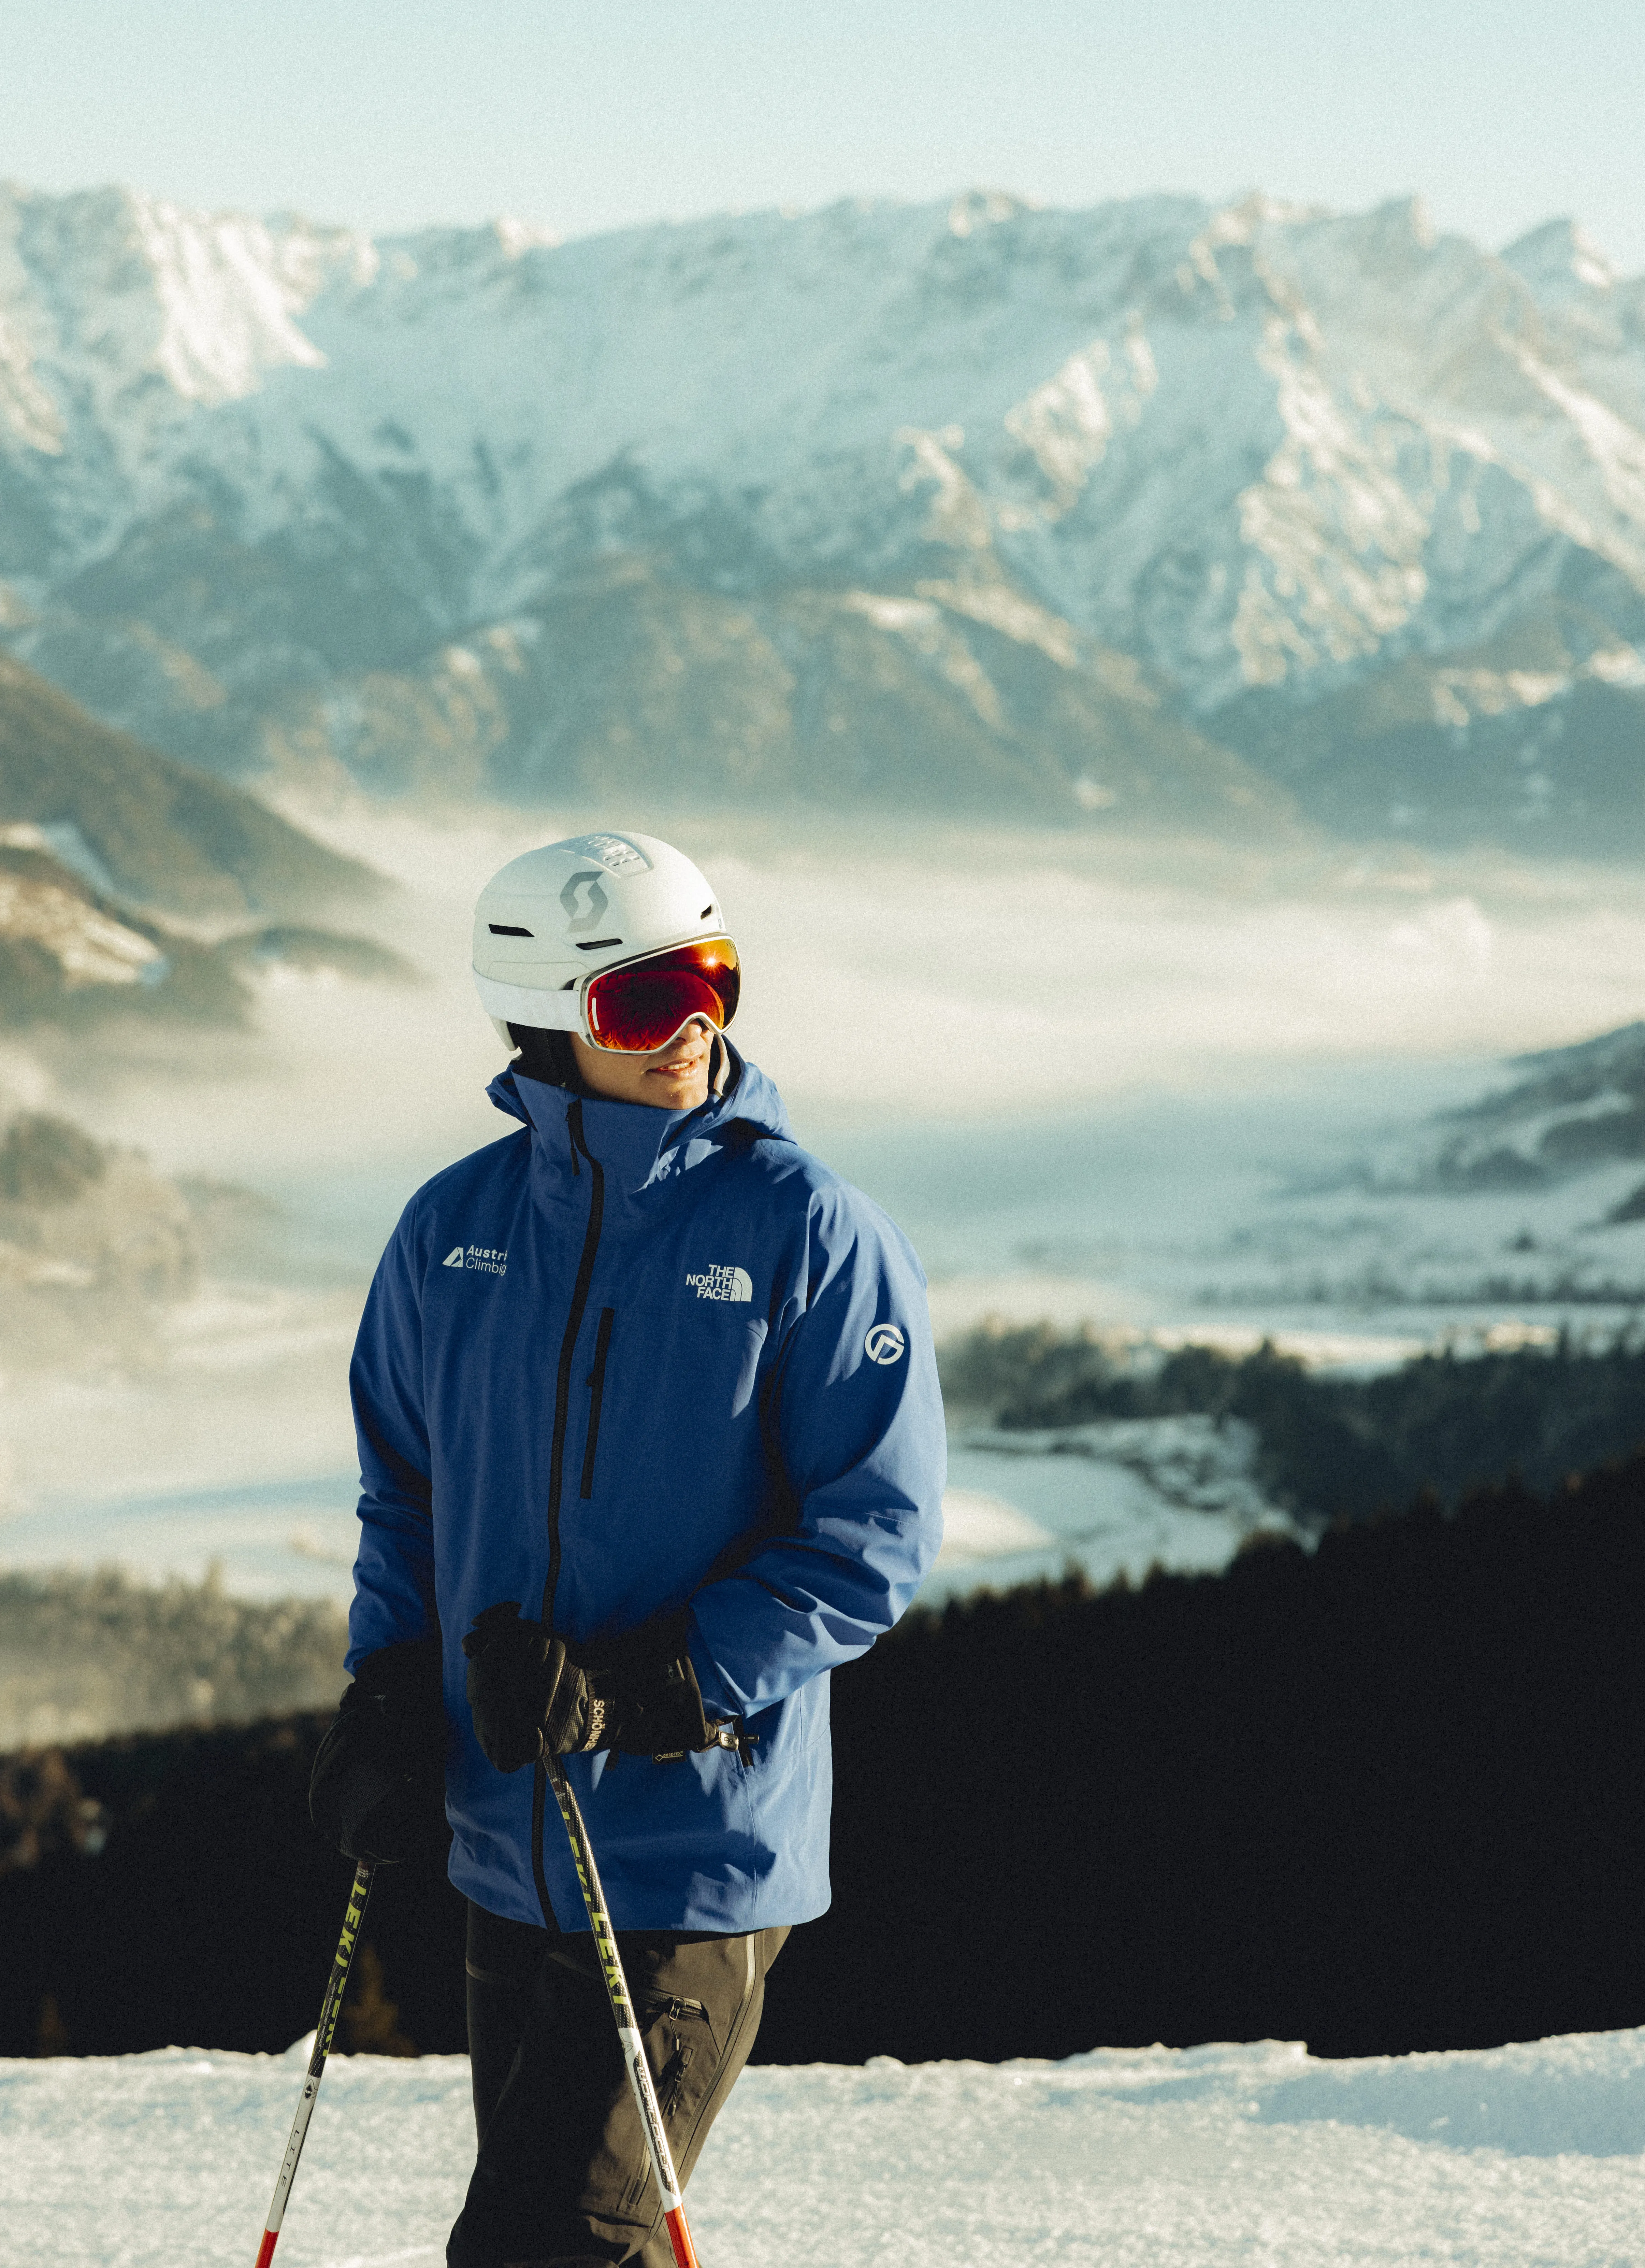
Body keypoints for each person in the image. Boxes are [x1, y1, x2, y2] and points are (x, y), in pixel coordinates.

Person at [311, 829, 946, 2266]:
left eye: (715, 979)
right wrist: (391, 1689)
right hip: (505, 1843)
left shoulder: (806, 1230)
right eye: (647, 997)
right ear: (546, 1018)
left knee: (544, 2249)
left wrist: (650, 1682)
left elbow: (873, 1533)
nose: (696, 1024)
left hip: (690, 1852)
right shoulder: (451, 1231)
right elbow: (404, 1496)